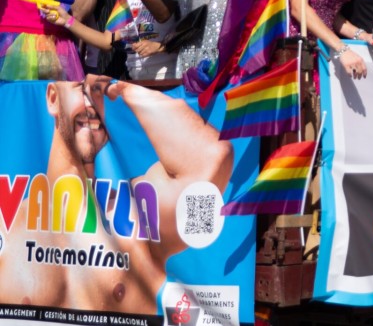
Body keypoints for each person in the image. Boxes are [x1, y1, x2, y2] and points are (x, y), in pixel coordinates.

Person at [0, 75, 233, 312]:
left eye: (98, 93)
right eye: (82, 90)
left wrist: (124, 91)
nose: (91, 105)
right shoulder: (7, 227)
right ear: (52, 98)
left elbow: (215, 158)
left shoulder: (138, 211)